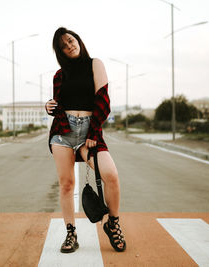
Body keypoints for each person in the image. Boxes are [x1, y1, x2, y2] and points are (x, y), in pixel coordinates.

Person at [45, 27, 127, 253]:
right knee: (66, 184)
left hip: (88, 132)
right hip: (63, 132)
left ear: (78, 40)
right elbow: (59, 104)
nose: (69, 46)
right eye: (63, 46)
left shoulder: (95, 64)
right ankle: (71, 233)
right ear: (60, 52)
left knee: (111, 174)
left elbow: (103, 100)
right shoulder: (59, 76)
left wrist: (92, 133)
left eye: (70, 40)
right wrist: (49, 106)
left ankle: (113, 222)